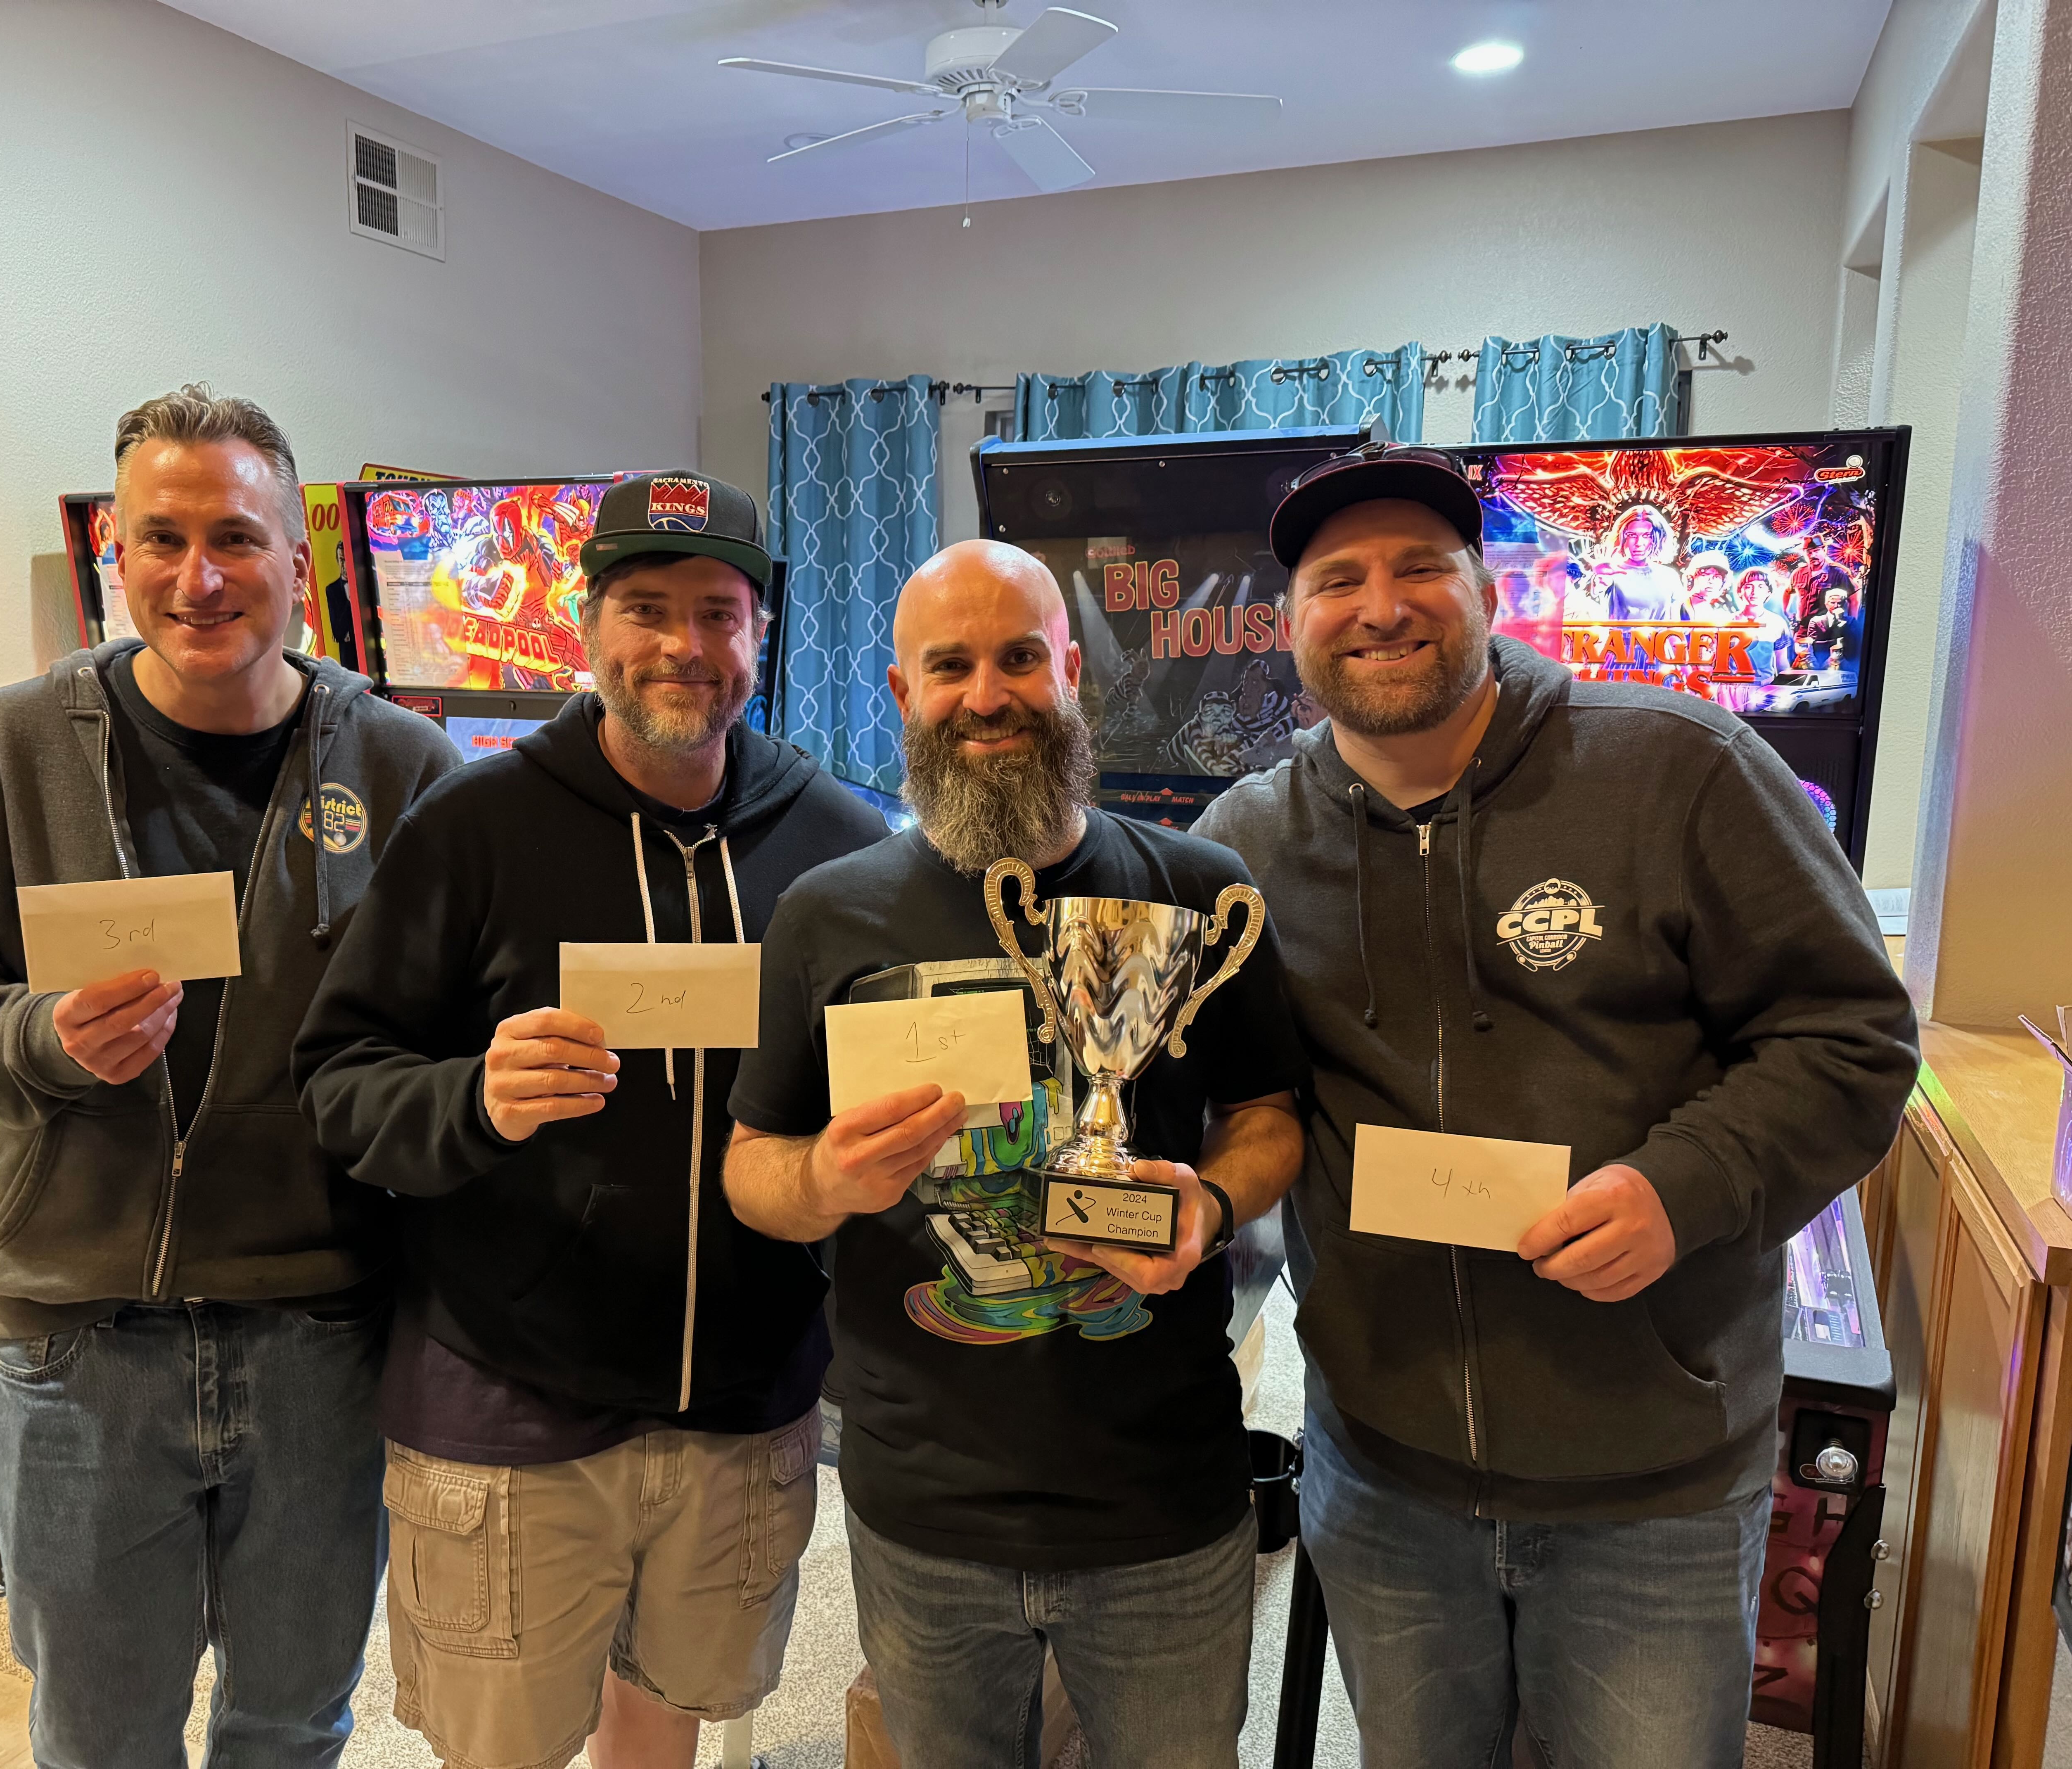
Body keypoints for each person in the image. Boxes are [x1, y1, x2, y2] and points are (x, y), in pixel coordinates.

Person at [1192, 445, 1920, 1768]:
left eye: (1421, 567)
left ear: (1489, 592)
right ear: (1289, 622)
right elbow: (1230, 1097)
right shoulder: (1244, 841)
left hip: (1651, 1485)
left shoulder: (1683, 769)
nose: (1381, 606)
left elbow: (1853, 1038)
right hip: (1385, 1469)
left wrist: (1678, 1187)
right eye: (1338, 580)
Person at [0, 385, 459, 1767]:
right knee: (98, 1734)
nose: (201, 578)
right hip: (77, 1338)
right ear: (115, 555)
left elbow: (453, 1032)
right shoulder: (4, 751)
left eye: (236, 538)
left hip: (319, 1331)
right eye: (163, 539)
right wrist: (41, 1042)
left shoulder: (406, 766)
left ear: (297, 561)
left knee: (292, 1721)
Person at [293, 472, 885, 1769]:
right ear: (586, 625)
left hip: (744, 1401)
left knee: (665, 1724)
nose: (684, 644)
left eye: (718, 611)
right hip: (512, 1400)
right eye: (647, 608)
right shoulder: (472, 825)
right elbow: (340, 1079)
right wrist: (473, 1097)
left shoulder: (840, 840)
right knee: (503, 1747)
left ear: (761, 633)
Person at [721, 539, 1307, 1769]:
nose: (987, 696)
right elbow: (751, 1166)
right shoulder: (828, 913)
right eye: (951, 666)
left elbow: (1268, 1117)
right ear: (903, 691)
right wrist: (823, 1180)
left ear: (1071, 671)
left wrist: (1206, 1205)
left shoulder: (1195, 885)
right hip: (924, 1509)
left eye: (1020, 658)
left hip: (1164, 1497)